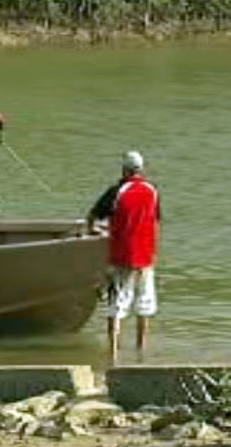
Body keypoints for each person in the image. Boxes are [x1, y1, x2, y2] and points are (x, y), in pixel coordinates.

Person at [87, 151, 160, 363]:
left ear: (124, 170)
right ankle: (141, 351)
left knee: (117, 304)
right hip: (146, 256)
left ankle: (113, 354)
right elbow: (155, 222)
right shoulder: (152, 190)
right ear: (141, 169)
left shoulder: (117, 191)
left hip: (121, 256)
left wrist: (92, 230)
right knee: (145, 303)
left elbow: (93, 215)